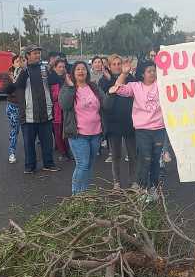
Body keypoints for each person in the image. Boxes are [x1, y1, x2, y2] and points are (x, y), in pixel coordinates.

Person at [110, 60, 165, 202]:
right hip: (143, 130)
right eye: (149, 71)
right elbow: (117, 88)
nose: (152, 73)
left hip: (159, 129)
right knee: (145, 159)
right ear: (142, 73)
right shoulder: (135, 86)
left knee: (155, 161)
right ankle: (143, 188)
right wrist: (124, 73)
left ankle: (153, 188)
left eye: (154, 70)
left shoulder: (161, 84)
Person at [10, 45, 60, 174]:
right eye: (35, 53)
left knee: (47, 143)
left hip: (45, 113)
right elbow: (16, 85)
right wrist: (23, 69)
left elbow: (55, 80)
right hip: (28, 114)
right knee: (29, 144)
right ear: (27, 55)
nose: (38, 55)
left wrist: (53, 68)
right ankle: (30, 166)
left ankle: (48, 163)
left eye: (39, 53)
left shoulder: (44, 69)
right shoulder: (21, 70)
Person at [60, 62, 105, 194]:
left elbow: (105, 103)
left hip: (95, 133)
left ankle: (84, 194)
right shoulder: (69, 88)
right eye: (78, 69)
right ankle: (76, 195)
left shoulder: (93, 87)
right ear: (73, 73)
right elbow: (64, 105)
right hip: (78, 134)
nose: (81, 71)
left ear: (87, 72)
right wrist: (69, 87)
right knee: (82, 164)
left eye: (83, 69)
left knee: (89, 165)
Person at [99, 54, 136, 188]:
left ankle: (134, 181)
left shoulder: (130, 78)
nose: (116, 66)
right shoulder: (104, 81)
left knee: (133, 155)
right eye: (113, 64)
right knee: (116, 156)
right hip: (112, 123)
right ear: (109, 66)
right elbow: (105, 103)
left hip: (130, 122)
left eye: (118, 63)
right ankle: (117, 182)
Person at [3, 56, 25, 164]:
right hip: (13, 106)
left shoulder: (27, 73)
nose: (19, 63)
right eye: (17, 61)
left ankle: (30, 154)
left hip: (26, 106)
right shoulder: (8, 75)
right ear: (13, 64)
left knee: (28, 130)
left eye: (21, 61)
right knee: (14, 130)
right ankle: (12, 152)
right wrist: (14, 79)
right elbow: (6, 90)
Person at [48, 59, 71, 161]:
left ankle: (67, 151)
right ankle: (63, 152)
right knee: (58, 132)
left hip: (67, 110)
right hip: (56, 110)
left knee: (67, 132)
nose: (62, 69)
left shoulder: (67, 78)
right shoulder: (51, 79)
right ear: (54, 68)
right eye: (60, 67)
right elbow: (53, 96)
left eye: (63, 67)